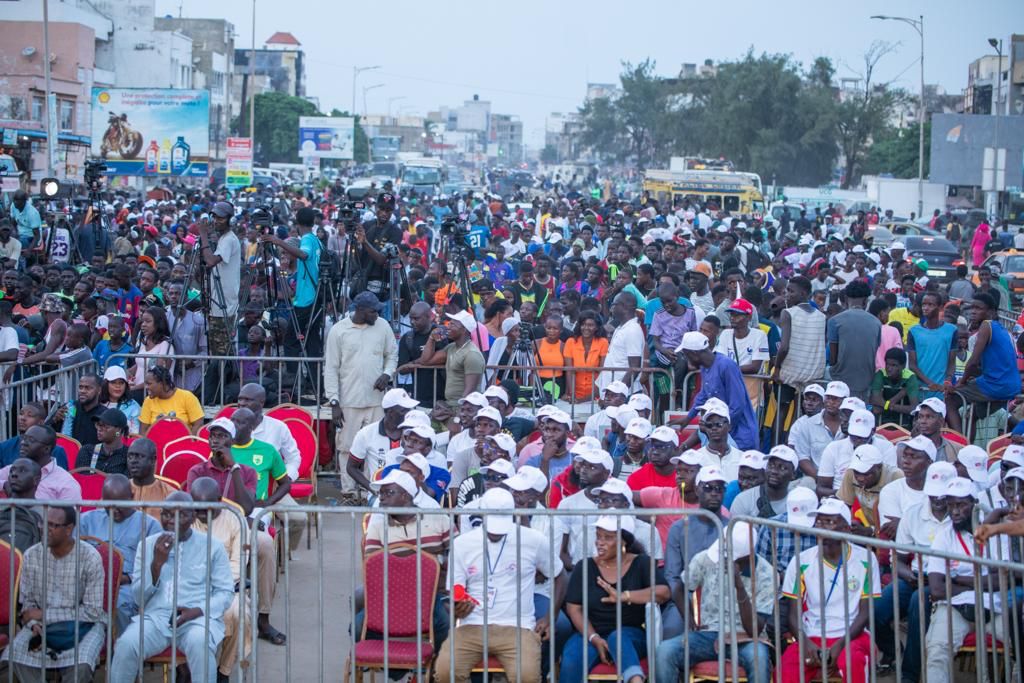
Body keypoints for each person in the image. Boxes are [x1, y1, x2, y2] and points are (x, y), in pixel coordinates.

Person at [435, 488, 564, 683]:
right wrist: (456, 607)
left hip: (518, 626)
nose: (496, 534)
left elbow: (560, 575)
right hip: (473, 624)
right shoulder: (462, 544)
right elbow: (456, 589)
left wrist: (549, 618)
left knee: (528, 677)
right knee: (445, 672)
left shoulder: (533, 539)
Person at [110, 491, 235, 683]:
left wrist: (197, 611)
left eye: (180, 515)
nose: (171, 520)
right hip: (156, 618)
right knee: (126, 644)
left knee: (199, 643)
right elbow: (138, 598)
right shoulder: (148, 545)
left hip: (197, 620)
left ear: (193, 516)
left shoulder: (212, 546)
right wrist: (156, 566)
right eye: (166, 514)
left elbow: (225, 592)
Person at [655, 522, 774, 683]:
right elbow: (679, 588)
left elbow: (754, 629)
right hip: (709, 633)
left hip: (746, 639)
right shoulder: (706, 558)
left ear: (745, 556)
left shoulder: (766, 573)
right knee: (665, 651)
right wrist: (689, 618)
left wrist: (739, 586)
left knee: (758, 659)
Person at [779, 498, 882, 683]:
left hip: (852, 636)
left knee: (853, 661)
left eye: (830, 521)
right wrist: (806, 643)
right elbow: (793, 615)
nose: (821, 526)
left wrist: (840, 645)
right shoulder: (801, 561)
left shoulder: (866, 559)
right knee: (785, 669)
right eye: (819, 520)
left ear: (846, 529)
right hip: (811, 635)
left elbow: (866, 613)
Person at [0, 506, 107, 683]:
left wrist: (45, 614)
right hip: (42, 626)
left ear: (69, 529)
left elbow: (93, 612)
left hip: (84, 626)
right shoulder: (32, 555)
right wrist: (34, 622)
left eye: (53, 525)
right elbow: (28, 604)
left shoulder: (89, 558)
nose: (44, 529)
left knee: (81, 664)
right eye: (44, 523)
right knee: (14, 655)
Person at [873, 461, 957, 683]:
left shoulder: (961, 516)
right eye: (933, 495)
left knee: (917, 604)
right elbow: (897, 560)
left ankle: (910, 674)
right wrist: (907, 575)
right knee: (876, 609)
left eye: (943, 496)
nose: (938, 500)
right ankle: (892, 649)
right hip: (913, 576)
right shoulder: (913, 513)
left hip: (947, 580)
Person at [560, 515, 669, 683]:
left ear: (624, 541)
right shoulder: (585, 566)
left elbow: (663, 592)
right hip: (590, 633)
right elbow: (574, 608)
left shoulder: (641, 563)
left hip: (631, 633)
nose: (600, 542)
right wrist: (594, 638)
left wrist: (624, 596)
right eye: (598, 536)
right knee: (571, 660)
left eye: (608, 538)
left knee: (617, 638)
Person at [924, 477, 1013, 683]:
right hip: (954, 607)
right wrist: (983, 581)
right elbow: (937, 590)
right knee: (937, 650)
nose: (954, 511)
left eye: (961, 505)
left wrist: (959, 580)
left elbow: (1003, 580)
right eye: (951, 505)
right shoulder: (943, 536)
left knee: (1019, 643)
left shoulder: (996, 534)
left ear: (974, 505)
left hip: (994, 608)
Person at [325, 291, 398, 490]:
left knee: (375, 448)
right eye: (374, 312)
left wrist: (387, 374)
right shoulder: (339, 330)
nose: (378, 315)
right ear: (361, 311)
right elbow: (331, 367)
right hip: (348, 401)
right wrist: (334, 401)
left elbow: (392, 354)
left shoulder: (383, 326)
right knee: (347, 448)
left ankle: (372, 491)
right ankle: (348, 491)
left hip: (376, 401)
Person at [79, 473, 161, 632]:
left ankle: (121, 653)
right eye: (108, 504)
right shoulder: (86, 520)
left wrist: (125, 578)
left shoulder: (149, 525)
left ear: (131, 497)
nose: (114, 510)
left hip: (127, 586)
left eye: (119, 504)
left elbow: (153, 569)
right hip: (89, 582)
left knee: (119, 604)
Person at [189, 477, 250, 680]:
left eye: (208, 507)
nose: (201, 514)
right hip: (191, 587)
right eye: (197, 508)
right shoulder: (186, 520)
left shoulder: (235, 520)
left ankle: (224, 669)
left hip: (227, 586)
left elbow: (238, 564)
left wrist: (214, 583)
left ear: (219, 500)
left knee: (239, 613)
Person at [945, 292, 1020, 433]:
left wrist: (961, 382)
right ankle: (969, 448)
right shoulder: (1003, 329)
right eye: (972, 307)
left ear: (991, 311)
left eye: (979, 308)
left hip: (996, 384)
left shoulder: (987, 325)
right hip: (1010, 385)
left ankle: (960, 443)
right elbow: (983, 365)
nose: (973, 311)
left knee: (950, 400)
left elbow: (973, 361)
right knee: (971, 416)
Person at [263, 206, 324, 365]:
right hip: (315, 297)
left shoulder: (308, 239)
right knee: (311, 341)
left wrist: (278, 241)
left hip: (306, 298)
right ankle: (312, 380)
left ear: (297, 223)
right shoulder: (317, 240)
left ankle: (292, 381)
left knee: (290, 341)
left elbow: (303, 254)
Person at [679, 331, 759, 450]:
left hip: (740, 435)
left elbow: (737, 405)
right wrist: (688, 417)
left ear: (694, 353)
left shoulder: (726, 365)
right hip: (723, 433)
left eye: (686, 355)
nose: (686, 359)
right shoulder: (705, 367)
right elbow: (703, 395)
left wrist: (719, 427)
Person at [346, 388, 418, 493]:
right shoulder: (366, 433)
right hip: (381, 494)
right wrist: (372, 488)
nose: (408, 413)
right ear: (390, 412)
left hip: (410, 492)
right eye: (404, 410)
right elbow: (351, 467)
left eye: (409, 409)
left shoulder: (415, 432)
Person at [196, 201, 242, 355]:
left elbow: (210, 261)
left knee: (221, 352)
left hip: (225, 306)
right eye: (214, 217)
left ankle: (223, 379)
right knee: (216, 350)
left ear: (231, 220)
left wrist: (203, 235)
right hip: (217, 303)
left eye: (221, 218)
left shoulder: (229, 239)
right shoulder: (223, 239)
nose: (216, 221)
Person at [827, 281, 881, 401]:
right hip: (866, 382)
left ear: (846, 299)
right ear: (866, 301)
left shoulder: (835, 321)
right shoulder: (876, 323)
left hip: (840, 381)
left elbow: (832, 359)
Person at [714, 298, 769, 409]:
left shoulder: (759, 335)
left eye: (737, 315)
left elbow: (755, 367)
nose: (733, 318)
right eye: (731, 314)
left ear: (748, 317)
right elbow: (719, 362)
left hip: (751, 394)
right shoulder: (725, 334)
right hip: (728, 391)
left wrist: (728, 370)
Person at [0, 425, 79, 501]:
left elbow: (71, 513)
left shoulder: (65, 482)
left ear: (47, 449)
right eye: (24, 438)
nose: (23, 443)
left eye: (31, 440)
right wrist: (4, 484)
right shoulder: (13, 469)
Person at [836, 444, 904, 532]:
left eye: (866, 474)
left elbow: (904, 516)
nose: (860, 478)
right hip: (864, 527)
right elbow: (844, 504)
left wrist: (871, 531)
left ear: (879, 467)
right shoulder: (850, 473)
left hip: (891, 532)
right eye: (857, 472)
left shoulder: (895, 476)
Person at [906, 290, 957, 399]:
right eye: (924, 304)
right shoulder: (914, 331)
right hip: (920, 390)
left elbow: (951, 362)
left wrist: (947, 381)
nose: (925, 308)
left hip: (942, 392)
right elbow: (912, 365)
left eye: (930, 305)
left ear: (940, 307)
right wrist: (930, 383)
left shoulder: (951, 330)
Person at [425, 310, 485, 401]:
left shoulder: (472, 354)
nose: (448, 327)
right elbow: (427, 360)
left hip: (461, 407)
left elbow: (469, 391)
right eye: (449, 323)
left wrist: (461, 412)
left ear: (464, 330)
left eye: (452, 324)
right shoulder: (451, 348)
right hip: (451, 405)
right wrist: (431, 338)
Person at [729, 444, 801, 519]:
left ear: (793, 474)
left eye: (782, 468)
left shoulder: (798, 500)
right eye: (771, 465)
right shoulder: (743, 500)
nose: (774, 471)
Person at [396, 301, 447, 405]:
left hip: (442, 397)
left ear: (429, 317)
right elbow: (402, 369)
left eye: (416, 318)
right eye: (411, 318)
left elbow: (444, 358)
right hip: (419, 397)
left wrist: (415, 363)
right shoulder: (407, 338)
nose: (412, 322)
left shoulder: (441, 333)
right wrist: (422, 361)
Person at [788, 383, 842, 478]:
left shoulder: (846, 424)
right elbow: (796, 453)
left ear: (822, 403)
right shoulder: (800, 424)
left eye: (814, 400)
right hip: (811, 476)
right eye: (807, 399)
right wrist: (820, 478)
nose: (809, 403)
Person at [598, 292, 645, 396]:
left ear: (624, 307)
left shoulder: (633, 330)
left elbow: (635, 367)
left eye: (614, 305)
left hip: (624, 395)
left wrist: (618, 392)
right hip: (614, 392)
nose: (611, 309)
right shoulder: (621, 327)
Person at [138, 366, 204, 435]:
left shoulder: (187, 397)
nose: (146, 387)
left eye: (149, 384)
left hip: (182, 443)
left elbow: (198, 424)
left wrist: (188, 441)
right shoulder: (148, 401)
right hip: (156, 444)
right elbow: (143, 431)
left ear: (162, 383)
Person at [0, 403, 69, 469]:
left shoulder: (56, 451)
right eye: (21, 414)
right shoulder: (4, 447)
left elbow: (62, 478)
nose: (23, 418)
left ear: (41, 422)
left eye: (30, 415)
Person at [127, 437, 178, 519]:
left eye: (139, 456)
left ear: (153, 460)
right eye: (130, 456)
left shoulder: (169, 494)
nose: (133, 461)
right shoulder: (118, 491)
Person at [0, 458, 42, 552]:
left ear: (36, 480)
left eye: (22, 471)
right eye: (11, 471)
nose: (14, 474)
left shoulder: (48, 513)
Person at [75, 407, 130, 474]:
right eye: (98, 425)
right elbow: (82, 480)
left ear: (119, 430)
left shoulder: (129, 456)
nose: (99, 429)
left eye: (105, 426)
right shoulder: (87, 451)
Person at [55, 373, 105, 445]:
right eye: (80, 387)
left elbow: (118, 435)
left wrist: (116, 432)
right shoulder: (69, 407)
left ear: (99, 390)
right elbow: (48, 431)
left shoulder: (105, 414)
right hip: (67, 453)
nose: (82, 391)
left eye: (87, 388)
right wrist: (55, 420)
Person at [99, 365, 142, 435]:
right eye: (113, 382)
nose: (118, 386)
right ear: (106, 384)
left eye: (121, 383)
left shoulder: (133, 406)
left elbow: (135, 434)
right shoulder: (98, 403)